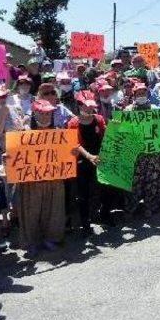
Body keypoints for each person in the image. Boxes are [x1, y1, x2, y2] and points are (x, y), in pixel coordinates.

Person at [16, 99, 66, 256]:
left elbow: (67, 150)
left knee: (52, 211)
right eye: (42, 113)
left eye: (48, 113)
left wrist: (72, 153)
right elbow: (13, 154)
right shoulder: (23, 134)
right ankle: (31, 242)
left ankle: (50, 238)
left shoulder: (58, 132)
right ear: (35, 113)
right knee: (31, 212)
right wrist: (7, 157)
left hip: (54, 180)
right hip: (31, 182)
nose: (45, 116)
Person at [67, 92, 107, 234]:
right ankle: (85, 223)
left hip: (100, 158)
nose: (90, 110)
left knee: (101, 189)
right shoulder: (73, 123)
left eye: (92, 107)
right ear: (79, 106)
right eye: (86, 107)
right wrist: (89, 156)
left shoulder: (99, 119)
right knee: (83, 194)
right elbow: (75, 144)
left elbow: (105, 135)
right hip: (83, 161)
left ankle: (101, 215)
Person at [126, 83, 160, 217]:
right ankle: (131, 208)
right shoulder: (128, 111)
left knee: (152, 180)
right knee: (134, 182)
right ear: (134, 95)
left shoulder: (155, 109)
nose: (141, 95)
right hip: (135, 153)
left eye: (143, 92)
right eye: (138, 93)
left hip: (153, 152)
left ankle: (150, 207)